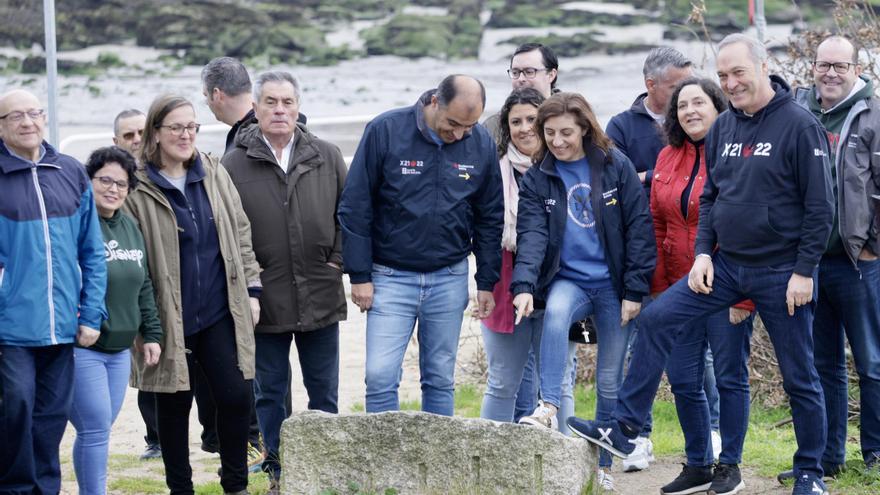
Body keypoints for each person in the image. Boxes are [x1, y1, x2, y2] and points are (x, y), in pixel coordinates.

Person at [567, 33, 836, 495]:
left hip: (781, 273)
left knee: (800, 377)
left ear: (761, 65)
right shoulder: (726, 126)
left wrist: (804, 271)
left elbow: (821, 207)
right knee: (656, 320)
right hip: (726, 267)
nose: (731, 83)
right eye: (724, 75)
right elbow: (712, 198)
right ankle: (626, 429)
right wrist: (705, 253)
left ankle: (810, 471)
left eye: (738, 73)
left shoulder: (798, 124)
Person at [511, 92, 655, 491]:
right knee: (555, 314)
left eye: (566, 133)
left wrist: (635, 290)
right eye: (550, 133)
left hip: (614, 283)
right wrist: (523, 286)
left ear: (586, 128)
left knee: (609, 379)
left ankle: (602, 466)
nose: (558, 141)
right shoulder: (540, 174)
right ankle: (549, 406)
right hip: (569, 280)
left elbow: (639, 228)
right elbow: (532, 235)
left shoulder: (614, 165)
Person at [338, 75, 503, 416]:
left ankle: (437, 464)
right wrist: (359, 274)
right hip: (389, 277)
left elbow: (490, 216)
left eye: (468, 127)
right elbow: (355, 206)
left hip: (449, 276)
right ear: (433, 102)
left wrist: (487, 281)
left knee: (440, 377)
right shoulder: (385, 130)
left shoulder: (481, 142)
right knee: (380, 376)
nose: (458, 134)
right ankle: (385, 463)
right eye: (453, 123)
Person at [124, 94, 262, 495]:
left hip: (219, 310)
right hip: (168, 315)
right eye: (176, 128)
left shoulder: (213, 171)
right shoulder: (138, 185)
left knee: (236, 397)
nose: (186, 135)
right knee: (173, 405)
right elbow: (133, 258)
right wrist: (145, 321)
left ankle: (234, 484)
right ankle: (180, 488)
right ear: (155, 132)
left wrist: (252, 290)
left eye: (192, 127)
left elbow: (240, 232)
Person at [223, 71, 347, 493]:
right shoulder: (232, 164)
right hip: (264, 299)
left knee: (324, 393)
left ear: (298, 107)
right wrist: (247, 285)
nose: (280, 110)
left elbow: (348, 217)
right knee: (270, 394)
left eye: (287, 102)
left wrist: (337, 261)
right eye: (271, 102)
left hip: (320, 292)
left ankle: (326, 468)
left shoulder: (326, 155)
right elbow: (225, 232)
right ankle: (279, 471)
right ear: (255, 109)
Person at [781, 34, 880, 480]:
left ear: (857, 69)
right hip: (810, 265)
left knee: (872, 362)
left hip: (861, 263)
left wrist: (874, 243)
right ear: (813, 67)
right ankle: (827, 458)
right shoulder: (798, 113)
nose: (831, 73)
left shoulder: (874, 114)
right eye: (824, 65)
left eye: (840, 66)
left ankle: (876, 455)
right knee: (823, 366)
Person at [0, 89, 107, 494]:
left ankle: (46, 489)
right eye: (15, 116)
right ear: (1, 126)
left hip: (63, 325)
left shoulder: (69, 170)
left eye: (34, 113)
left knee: (51, 417)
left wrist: (90, 315)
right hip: (11, 328)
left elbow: (92, 251)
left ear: (44, 118)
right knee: (16, 408)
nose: (27, 122)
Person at [651, 78, 754, 495]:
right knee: (683, 379)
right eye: (682, 106)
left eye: (699, 102)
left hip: (727, 286)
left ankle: (730, 466)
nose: (690, 111)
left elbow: (751, 226)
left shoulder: (736, 155)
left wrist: (745, 296)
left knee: (730, 377)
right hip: (679, 285)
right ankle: (698, 464)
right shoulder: (667, 155)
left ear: (719, 106)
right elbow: (657, 223)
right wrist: (659, 286)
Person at [606, 46, 694, 471]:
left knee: (700, 350)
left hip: (691, 255)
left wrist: (650, 181)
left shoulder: (699, 121)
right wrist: (654, 179)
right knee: (642, 347)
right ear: (652, 84)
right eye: (679, 87)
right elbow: (619, 192)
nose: (687, 95)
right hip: (642, 255)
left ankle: (708, 435)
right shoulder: (622, 126)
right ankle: (638, 437)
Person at [71, 146, 163, 493]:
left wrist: (151, 333)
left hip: (120, 350)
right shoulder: (77, 226)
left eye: (121, 184)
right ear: (88, 181)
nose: (113, 189)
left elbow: (143, 283)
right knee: (95, 429)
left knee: (97, 430)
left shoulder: (129, 227)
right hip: (85, 346)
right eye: (104, 180)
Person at [200, 54, 272, 470]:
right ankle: (255, 438)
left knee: (259, 362)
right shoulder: (243, 135)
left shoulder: (248, 137)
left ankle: (257, 439)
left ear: (216, 94)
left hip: (256, 269)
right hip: (263, 266)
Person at [480, 87, 546, 423]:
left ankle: (568, 469)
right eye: (515, 121)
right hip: (502, 284)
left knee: (557, 384)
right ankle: (485, 467)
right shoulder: (493, 171)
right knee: (502, 380)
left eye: (532, 119)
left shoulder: (565, 167)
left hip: (555, 285)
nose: (524, 128)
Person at [202, 56, 306, 157]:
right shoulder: (296, 131)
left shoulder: (248, 144)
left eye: (206, 95)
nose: (206, 102)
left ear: (216, 94)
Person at [483, 42, 559, 141]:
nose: (521, 79)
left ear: (551, 75)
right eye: (515, 73)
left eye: (529, 72)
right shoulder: (493, 127)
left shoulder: (571, 116)